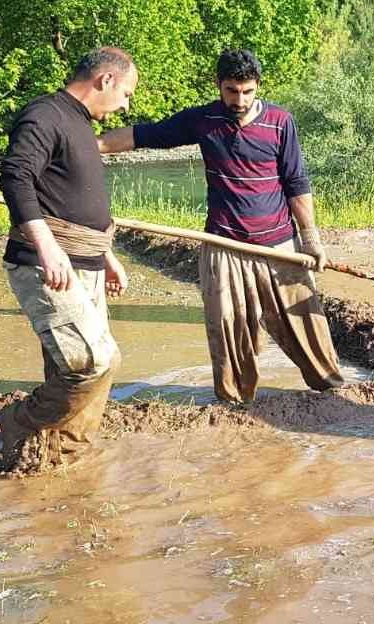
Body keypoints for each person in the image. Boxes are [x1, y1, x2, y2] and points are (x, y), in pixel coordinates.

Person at [98, 49, 345, 404]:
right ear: (219, 86)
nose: (239, 100)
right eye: (231, 91)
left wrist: (311, 240)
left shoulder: (280, 122)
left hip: (277, 248)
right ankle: (234, 405)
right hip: (223, 247)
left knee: (305, 323)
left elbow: (296, 183)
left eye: (247, 91)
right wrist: (90, 147)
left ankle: (335, 396)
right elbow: (142, 136)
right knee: (229, 331)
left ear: (258, 86)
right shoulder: (204, 120)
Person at [0, 46, 137, 470]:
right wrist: (46, 245)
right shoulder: (45, 115)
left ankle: (62, 455)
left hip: (86, 261)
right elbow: (15, 175)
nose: (126, 104)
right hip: (50, 264)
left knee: (77, 368)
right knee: (93, 362)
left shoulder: (79, 125)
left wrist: (107, 255)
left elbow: (74, 199)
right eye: (126, 93)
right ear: (105, 80)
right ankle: (19, 422)